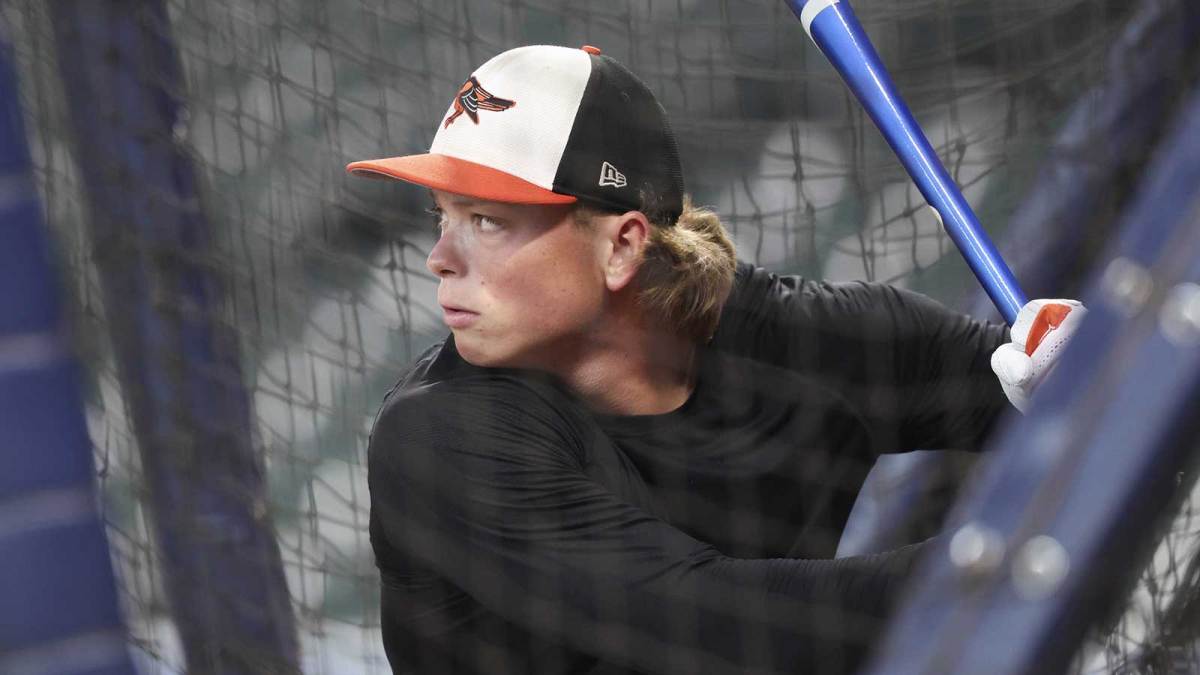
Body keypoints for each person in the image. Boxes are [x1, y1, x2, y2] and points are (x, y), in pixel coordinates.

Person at [347, 44, 1084, 675]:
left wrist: (1077, 362)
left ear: (623, 245)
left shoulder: (790, 342)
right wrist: (1005, 555)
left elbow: (1030, 378)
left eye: (485, 221)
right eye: (442, 218)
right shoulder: (439, 436)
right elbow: (713, 622)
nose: (440, 259)